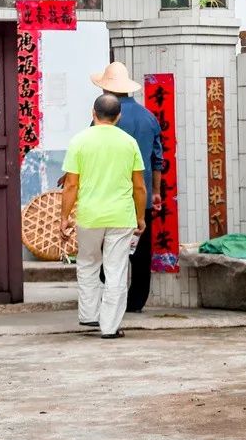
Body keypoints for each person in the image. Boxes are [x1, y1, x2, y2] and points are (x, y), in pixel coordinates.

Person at [59, 92, 146, 339]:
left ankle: (89, 315)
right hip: (121, 216)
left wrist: (64, 217)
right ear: (118, 116)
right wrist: (140, 217)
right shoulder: (129, 143)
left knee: (87, 263)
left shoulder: (79, 141)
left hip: (89, 217)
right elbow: (139, 186)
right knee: (116, 269)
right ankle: (109, 327)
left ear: (92, 113)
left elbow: (71, 186)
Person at [90, 61, 166, 313]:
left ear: (106, 90)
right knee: (141, 250)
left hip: (107, 197)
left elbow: (92, 153)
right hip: (139, 196)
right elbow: (157, 160)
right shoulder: (149, 118)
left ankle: (113, 295)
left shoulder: (103, 117)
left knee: (106, 247)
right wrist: (155, 191)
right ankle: (136, 301)